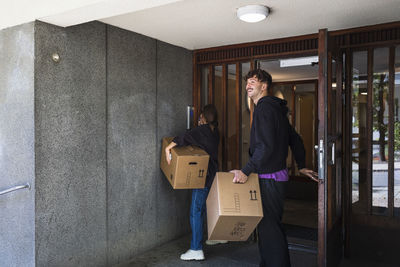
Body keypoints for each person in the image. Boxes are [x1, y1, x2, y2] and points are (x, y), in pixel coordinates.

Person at [230, 69, 318, 267]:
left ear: (264, 86)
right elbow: (294, 138)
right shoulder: (275, 109)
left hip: (269, 178)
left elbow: (265, 147)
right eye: (247, 82)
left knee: (269, 229)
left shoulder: (264, 108)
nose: (248, 85)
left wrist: (245, 171)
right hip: (275, 177)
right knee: (270, 228)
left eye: (253, 81)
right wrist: (301, 165)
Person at [165, 104, 220, 261]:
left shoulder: (202, 130)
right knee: (200, 210)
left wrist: (167, 149)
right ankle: (200, 243)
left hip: (202, 176)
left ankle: (196, 248)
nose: (198, 119)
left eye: (200, 116)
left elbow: (183, 137)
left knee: (195, 210)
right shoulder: (215, 132)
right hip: (210, 175)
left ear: (203, 116)